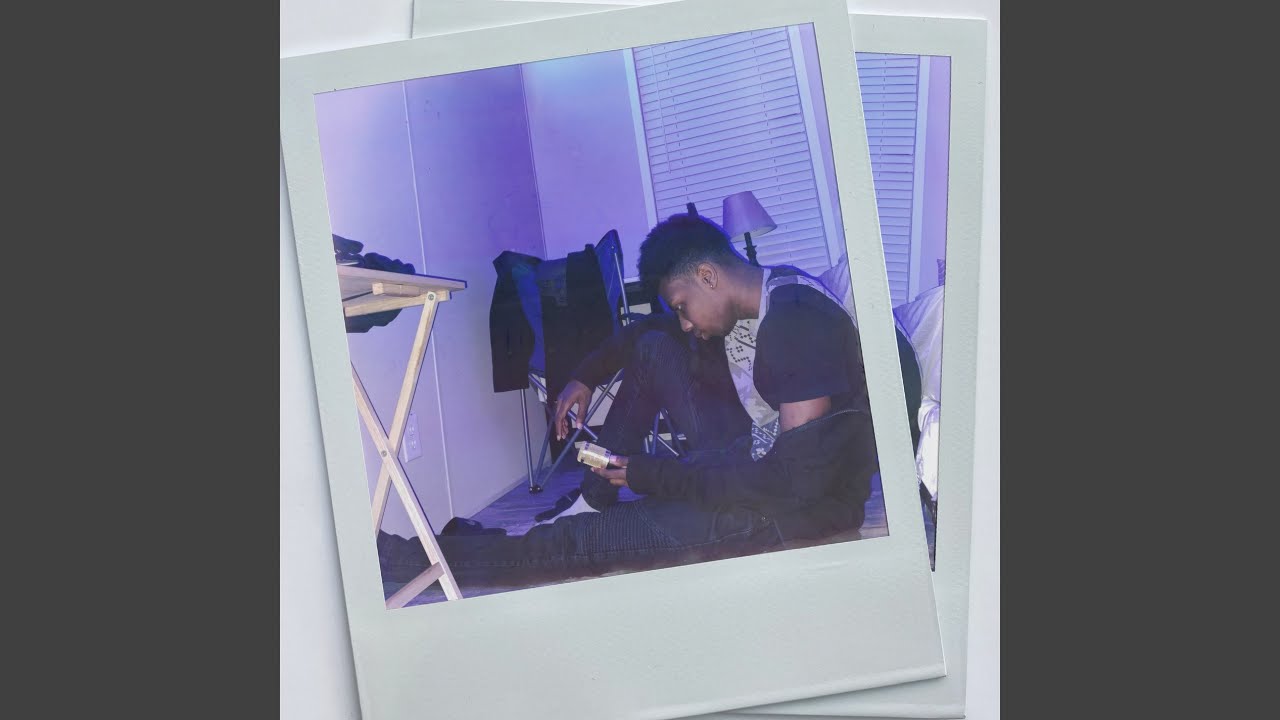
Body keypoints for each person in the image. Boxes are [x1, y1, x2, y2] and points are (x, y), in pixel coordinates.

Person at [378, 213, 880, 587]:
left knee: (578, 546)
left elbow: (792, 485)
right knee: (654, 347)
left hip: (786, 514)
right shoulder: (772, 292)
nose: (685, 323)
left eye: (682, 306)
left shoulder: (797, 324)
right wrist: (583, 377)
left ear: (708, 276)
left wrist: (655, 475)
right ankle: (586, 502)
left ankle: (402, 561)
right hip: (747, 462)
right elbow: (646, 332)